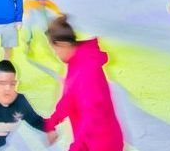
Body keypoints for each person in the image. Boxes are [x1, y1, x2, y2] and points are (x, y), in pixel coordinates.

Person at [43, 16, 125, 151]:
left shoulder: (87, 69)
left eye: (54, 49)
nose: (55, 54)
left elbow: (92, 115)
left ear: (63, 44)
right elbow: (69, 98)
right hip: (90, 142)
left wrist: (76, 147)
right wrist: (52, 122)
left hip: (104, 144)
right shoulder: (75, 62)